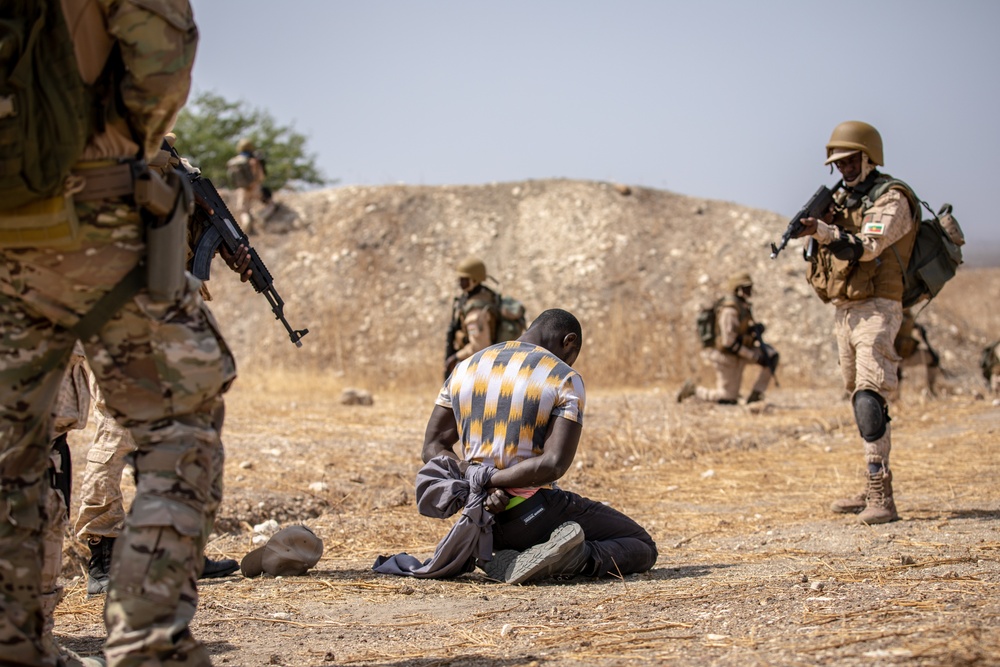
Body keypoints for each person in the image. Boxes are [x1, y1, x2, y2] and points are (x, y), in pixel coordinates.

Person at [0, 2, 237, 666]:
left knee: (9, 449)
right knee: (177, 428)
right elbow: (163, 60)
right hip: (93, 219)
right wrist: (119, 147)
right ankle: (147, 640)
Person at [423, 309, 658, 585]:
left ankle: (507, 556)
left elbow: (432, 446)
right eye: (572, 353)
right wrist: (493, 480)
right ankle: (577, 557)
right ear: (569, 341)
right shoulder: (562, 376)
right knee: (641, 545)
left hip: (482, 519)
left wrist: (478, 481)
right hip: (533, 516)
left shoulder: (465, 368)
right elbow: (553, 464)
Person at [794, 120, 920, 525]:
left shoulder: (892, 198)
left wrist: (827, 230)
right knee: (857, 396)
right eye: (839, 164)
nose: (844, 169)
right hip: (845, 311)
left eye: (850, 161)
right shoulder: (845, 199)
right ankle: (870, 485)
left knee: (870, 395)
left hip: (879, 307)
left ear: (869, 158)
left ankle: (882, 492)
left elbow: (868, 248)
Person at [676, 272, 778, 405]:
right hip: (727, 357)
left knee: (771, 356)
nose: (749, 291)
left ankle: (756, 395)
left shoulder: (742, 306)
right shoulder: (729, 311)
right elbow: (728, 342)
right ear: (737, 289)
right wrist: (752, 355)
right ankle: (693, 391)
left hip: (739, 353)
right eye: (746, 288)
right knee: (727, 398)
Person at [443, 256, 500, 379]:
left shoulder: (475, 313)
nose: (461, 283)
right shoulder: (485, 294)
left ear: (475, 280)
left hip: (480, 369)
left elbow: (479, 347)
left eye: (464, 280)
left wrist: (455, 357)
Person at [892, 308, 940, 399]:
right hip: (892, 357)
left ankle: (931, 391)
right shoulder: (890, 318)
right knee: (896, 371)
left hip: (908, 355)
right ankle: (895, 398)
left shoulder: (909, 319)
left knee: (933, 359)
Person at [229, 138, 266, 234]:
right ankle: (257, 220)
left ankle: (246, 228)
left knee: (244, 212)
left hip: (242, 189)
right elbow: (260, 177)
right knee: (269, 204)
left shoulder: (235, 161)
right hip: (254, 188)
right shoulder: (253, 161)